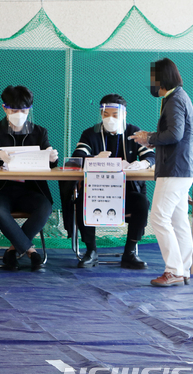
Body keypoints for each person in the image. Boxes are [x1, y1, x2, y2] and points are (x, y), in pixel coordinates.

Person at [67, 94, 155, 269]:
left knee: (142, 203)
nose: (110, 118)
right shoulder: (90, 133)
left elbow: (151, 155)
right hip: (96, 190)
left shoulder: (133, 132)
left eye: (115, 114)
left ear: (124, 114)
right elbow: (77, 157)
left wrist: (143, 163)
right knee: (81, 201)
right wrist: (94, 158)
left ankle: (129, 253)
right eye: (106, 114)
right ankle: (91, 251)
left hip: (126, 192)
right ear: (101, 115)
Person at [130, 58, 193, 287]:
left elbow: (175, 134)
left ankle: (174, 270)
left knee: (158, 217)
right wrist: (150, 139)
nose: (151, 84)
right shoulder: (178, 97)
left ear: (161, 78)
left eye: (153, 79)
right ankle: (183, 269)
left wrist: (149, 138)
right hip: (180, 169)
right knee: (178, 220)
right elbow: (173, 134)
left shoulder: (175, 100)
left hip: (174, 170)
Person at [0, 85, 59, 271]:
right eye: (14, 110)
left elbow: (49, 160)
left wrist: (52, 157)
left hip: (30, 190)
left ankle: (13, 251)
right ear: (4, 108)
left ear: (29, 110)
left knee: (45, 207)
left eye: (23, 110)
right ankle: (31, 251)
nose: (19, 114)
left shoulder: (39, 132)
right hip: (0, 190)